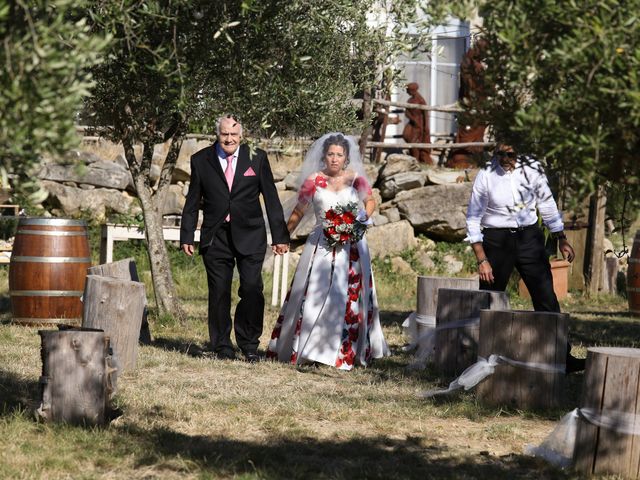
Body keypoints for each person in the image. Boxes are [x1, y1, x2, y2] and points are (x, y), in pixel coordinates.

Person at [266, 133, 390, 370]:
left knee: (347, 295)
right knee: (315, 293)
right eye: (330, 154)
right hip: (321, 244)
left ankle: (345, 350)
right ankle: (310, 349)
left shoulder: (356, 179)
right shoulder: (314, 180)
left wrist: (361, 219)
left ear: (346, 157)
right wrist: (283, 236)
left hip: (352, 246)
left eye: (339, 155)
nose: (334, 159)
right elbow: (299, 210)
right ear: (324, 155)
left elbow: (370, 201)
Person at [180, 114, 290, 362]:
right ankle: (222, 345)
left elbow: (271, 199)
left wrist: (280, 236)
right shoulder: (201, 160)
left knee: (252, 288)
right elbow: (193, 200)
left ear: (241, 135)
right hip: (215, 236)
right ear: (216, 134)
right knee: (219, 291)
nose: (229, 139)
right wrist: (187, 234)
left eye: (233, 134)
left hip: (250, 234)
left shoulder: (257, 157)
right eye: (224, 134)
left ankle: (249, 344)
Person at [465, 143, 584, 372]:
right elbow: (473, 218)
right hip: (496, 239)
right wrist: (482, 259)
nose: (505, 159)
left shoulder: (533, 169)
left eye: (511, 154)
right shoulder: (486, 175)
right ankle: (485, 360)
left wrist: (561, 238)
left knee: (546, 297)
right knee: (490, 299)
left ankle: (561, 357)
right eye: (500, 154)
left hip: (529, 237)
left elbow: (547, 205)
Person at [402, 82, 431, 164]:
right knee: (406, 135)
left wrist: (426, 125)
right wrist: (412, 118)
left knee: (414, 140)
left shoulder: (421, 100)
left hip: (419, 123)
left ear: (413, 90)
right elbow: (407, 112)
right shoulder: (410, 100)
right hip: (412, 122)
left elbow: (425, 114)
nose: (407, 92)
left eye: (408, 90)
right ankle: (413, 153)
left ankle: (416, 159)